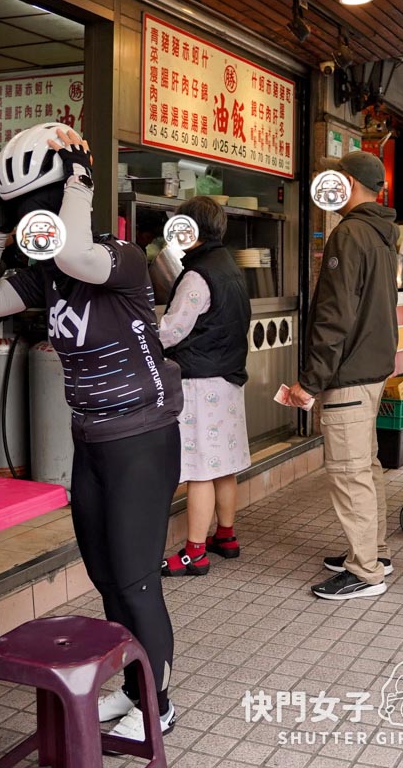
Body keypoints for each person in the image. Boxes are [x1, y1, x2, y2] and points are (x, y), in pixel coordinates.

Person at [0, 124, 183, 743]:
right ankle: (131, 686)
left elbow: (72, 253)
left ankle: (157, 705)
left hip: (141, 437)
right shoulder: (46, 276)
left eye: (44, 206)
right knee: (107, 576)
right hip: (91, 439)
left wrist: (81, 181)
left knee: (137, 579)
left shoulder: (118, 257)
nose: (39, 222)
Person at [288, 150, 399, 601]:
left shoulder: (349, 234)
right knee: (366, 467)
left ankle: (365, 571)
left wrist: (309, 381)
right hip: (371, 369)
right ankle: (374, 550)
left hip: (349, 374)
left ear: (349, 184)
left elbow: (334, 316)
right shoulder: (380, 232)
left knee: (350, 471)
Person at [158, 196, 252, 577]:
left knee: (199, 469)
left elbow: (174, 328)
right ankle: (225, 536)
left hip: (200, 383)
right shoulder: (229, 265)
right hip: (227, 379)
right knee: (223, 466)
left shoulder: (198, 275)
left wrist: (137, 337)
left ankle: (194, 553)